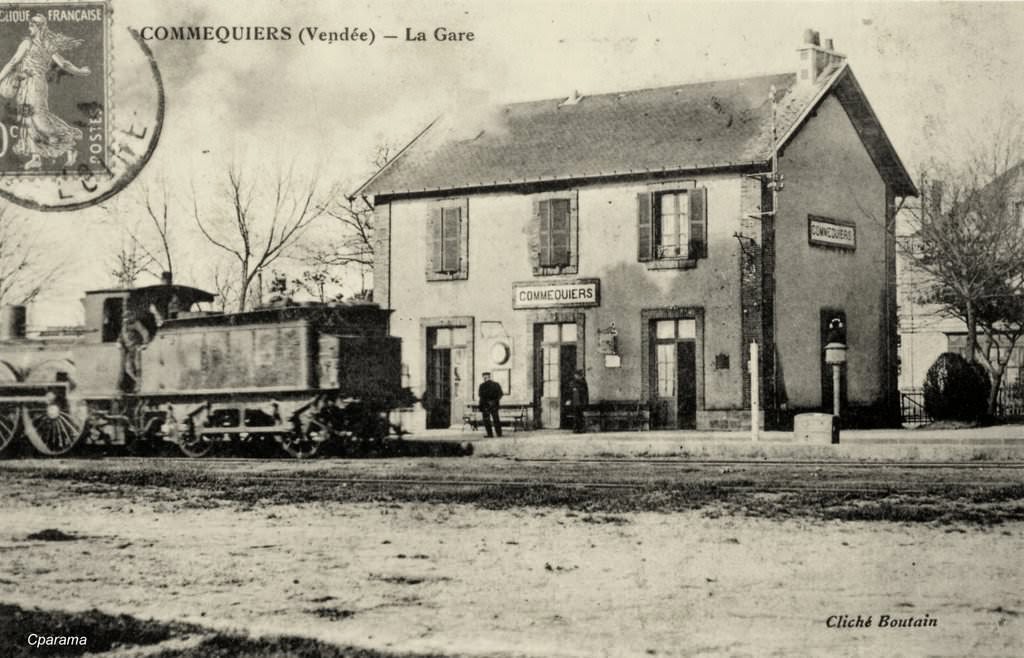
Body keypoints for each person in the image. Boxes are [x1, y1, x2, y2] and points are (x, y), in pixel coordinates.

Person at [0, 14, 92, 171]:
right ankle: (36, 157)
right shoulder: (44, 44)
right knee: (27, 120)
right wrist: (80, 71)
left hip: (35, 85)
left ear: (39, 27)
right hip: (25, 84)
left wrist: (80, 72)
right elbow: (64, 63)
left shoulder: (30, 44)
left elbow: (14, 61)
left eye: (32, 25)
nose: (29, 28)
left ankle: (70, 144)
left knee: (39, 119)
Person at [477, 372, 504, 438]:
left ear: (487, 377)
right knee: (495, 419)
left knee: (487, 420)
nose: (484, 378)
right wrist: (495, 401)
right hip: (492, 405)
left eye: (485, 377)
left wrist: (481, 406)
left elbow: (481, 396)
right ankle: (498, 433)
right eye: (484, 377)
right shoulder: (496, 384)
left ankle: (490, 434)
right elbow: (501, 394)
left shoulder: (482, 386)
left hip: (486, 405)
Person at [567, 369, 589, 433]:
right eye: (576, 375)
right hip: (575, 401)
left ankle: (581, 428)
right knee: (576, 416)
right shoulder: (573, 383)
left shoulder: (583, 383)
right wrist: (569, 399)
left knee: (580, 416)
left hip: (580, 401)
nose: (577, 376)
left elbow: (585, 393)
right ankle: (576, 428)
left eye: (578, 375)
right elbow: (570, 392)